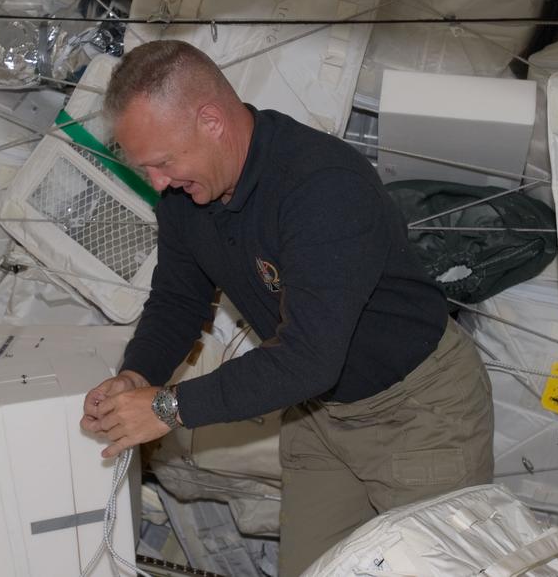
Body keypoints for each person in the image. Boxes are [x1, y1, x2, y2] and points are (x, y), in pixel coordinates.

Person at [81, 40, 494, 575]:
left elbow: (307, 356)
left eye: (162, 162)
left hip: (418, 413)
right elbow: (178, 298)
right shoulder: (186, 198)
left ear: (210, 121)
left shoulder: (321, 186)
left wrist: (167, 408)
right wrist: (138, 375)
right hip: (320, 413)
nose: (159, 183)